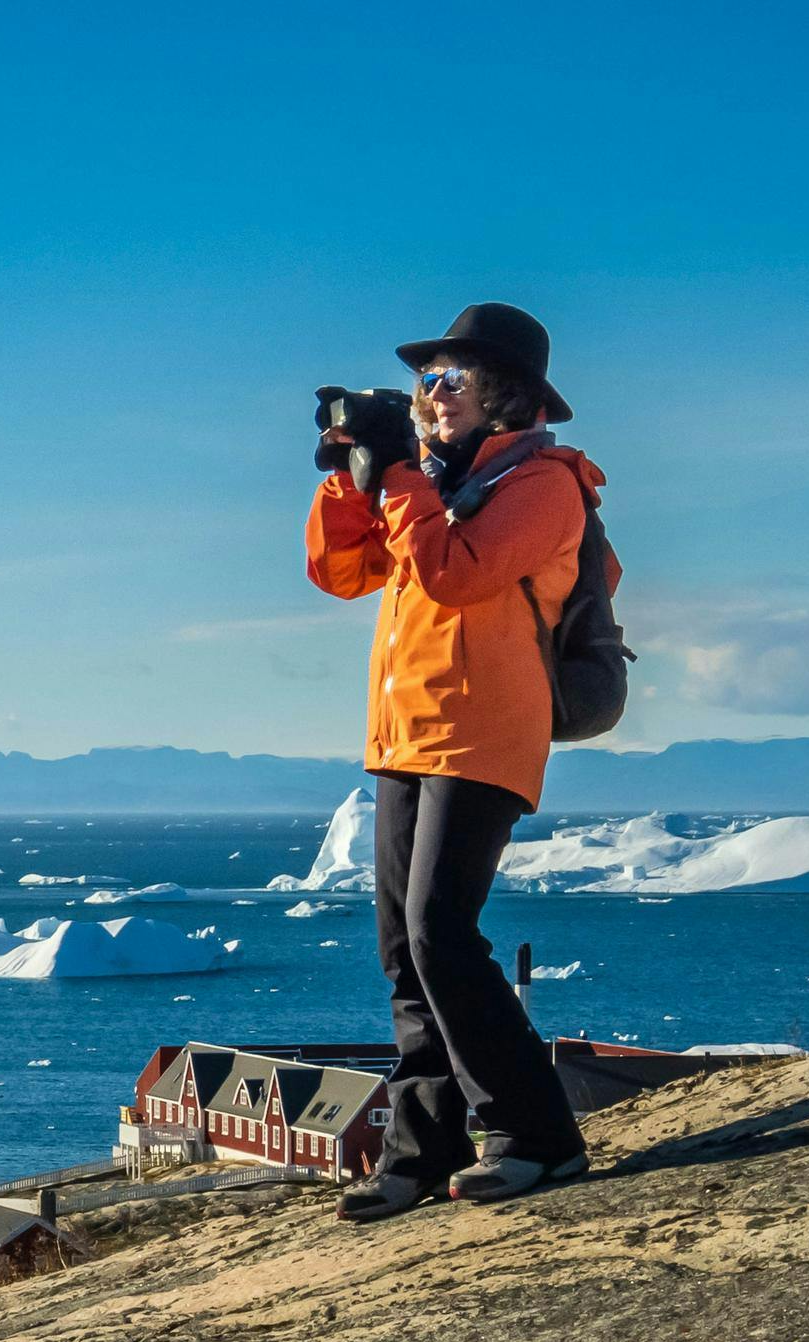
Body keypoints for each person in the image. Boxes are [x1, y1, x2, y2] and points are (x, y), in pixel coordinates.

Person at [306, 301, 610, 1219]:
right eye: (421, 383)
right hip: (403, 733)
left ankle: (538, 1136)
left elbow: (455, 572)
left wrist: (396, 470)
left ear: (508, 396)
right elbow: (341, 572)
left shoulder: (546, 485)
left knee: (442, 930)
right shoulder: (425, 483)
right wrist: (347, 473)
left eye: (450, 382)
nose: (429, 397)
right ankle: (421, 1151)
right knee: (405, 950)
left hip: (484, 728)